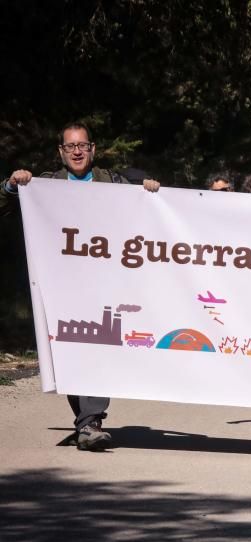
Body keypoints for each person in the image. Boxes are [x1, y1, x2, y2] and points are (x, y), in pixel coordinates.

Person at [0, 121, 160, 450]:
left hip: (105, 283)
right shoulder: (45, 185)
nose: (77, 151)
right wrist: (12, 185)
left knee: (101, 349)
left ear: (93, 150)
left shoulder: (111, 182)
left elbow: (146, 206)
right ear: (61, 152)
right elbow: (6, 204)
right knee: (70, 351)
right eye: (70, 146)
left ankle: (91, 422)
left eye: (82, 146)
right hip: (61, 286)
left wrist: (150, 188)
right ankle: (87, 422)